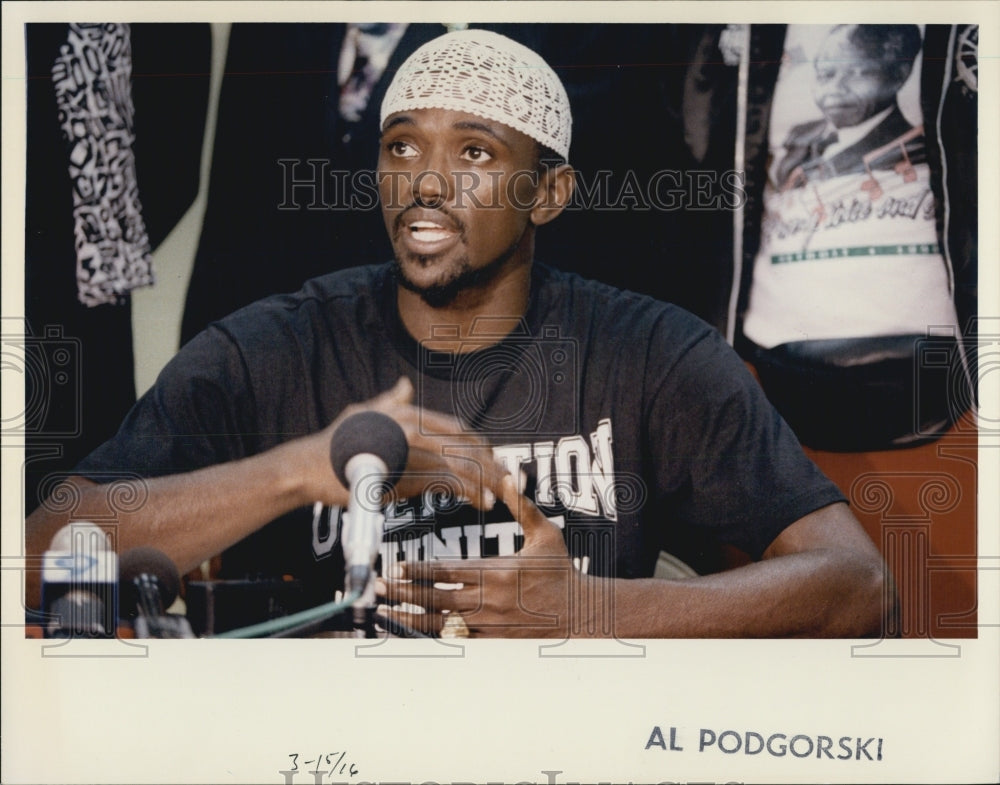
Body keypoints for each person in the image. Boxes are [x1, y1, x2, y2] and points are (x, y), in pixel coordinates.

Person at [25, 29, 891, 638]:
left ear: (547, 194)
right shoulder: (273, 350)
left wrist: (591, 611)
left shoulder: (651, 355)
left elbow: (859, 586)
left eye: (475, 152)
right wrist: (301, 468)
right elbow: (41, 552)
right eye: (402, 148)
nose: (427, 182)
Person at [773, 24, 925, 190]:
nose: (835, 89)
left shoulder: (912, 149)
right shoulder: (799, 134)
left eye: (856, 73)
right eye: (826, 74)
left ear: (900, 75)